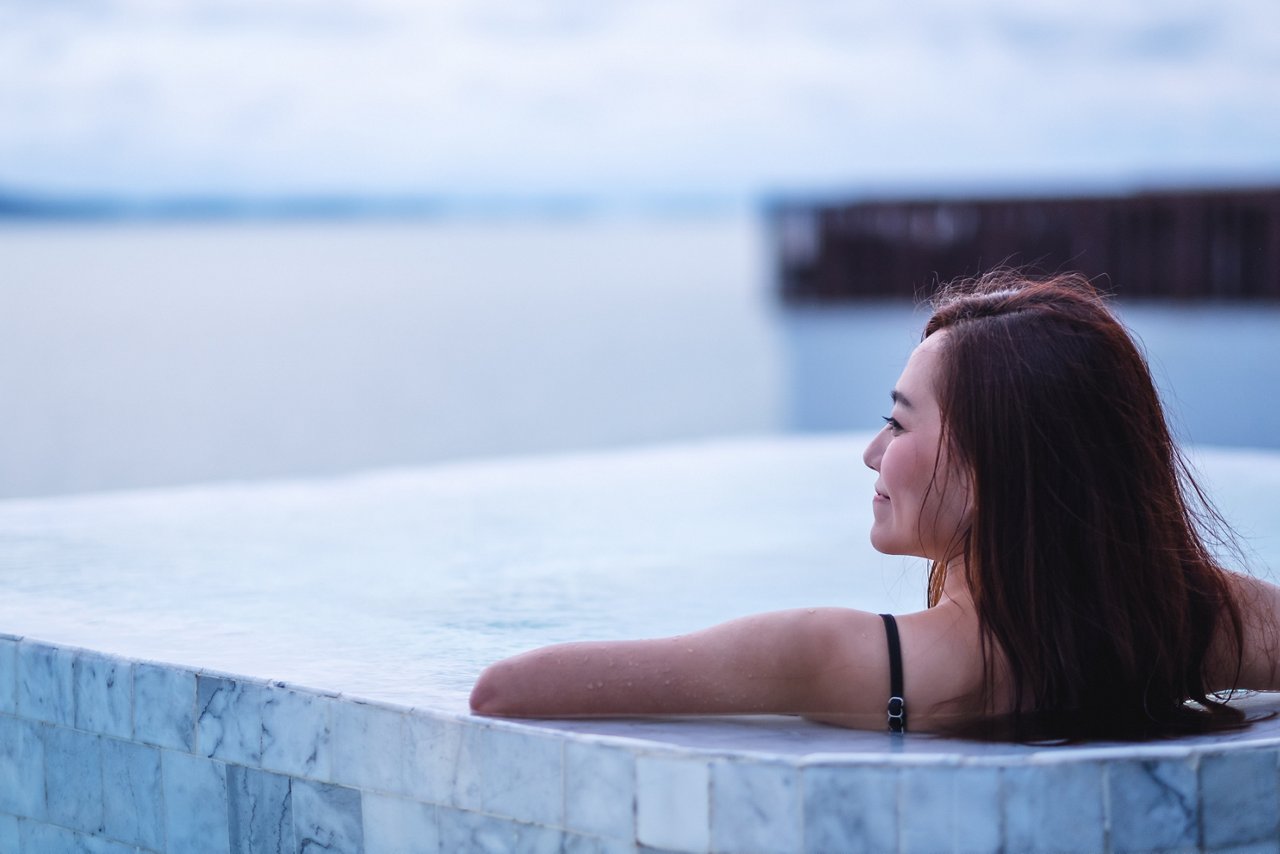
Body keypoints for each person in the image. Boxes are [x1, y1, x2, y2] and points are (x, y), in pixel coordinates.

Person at [470, 271, 1280, 740]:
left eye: (896, 422)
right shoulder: (1195, 624)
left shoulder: (839, 657)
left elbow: (504, 693)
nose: (871, 452)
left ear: (992, 464)